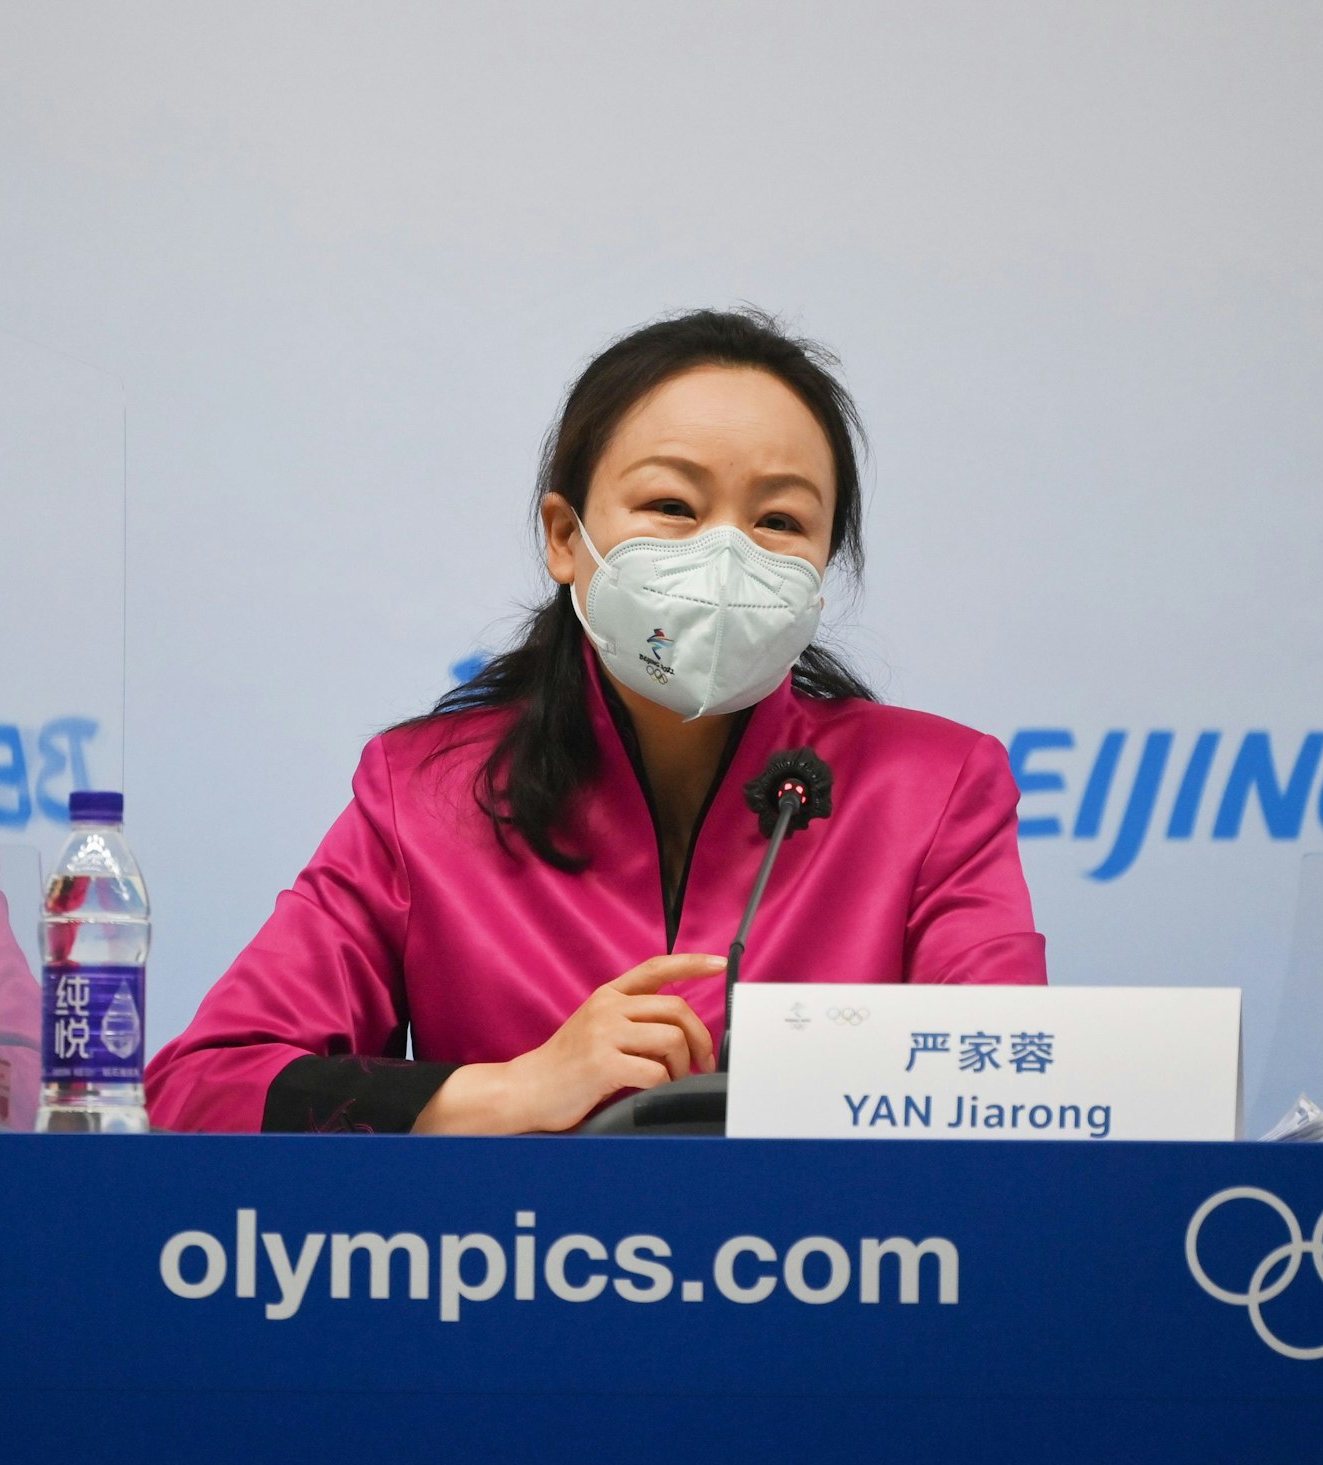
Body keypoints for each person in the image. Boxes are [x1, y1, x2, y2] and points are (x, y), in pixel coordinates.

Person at [145, 309, 1046, 1134]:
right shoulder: (425, 796)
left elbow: (1010, 1097)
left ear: (823, 566)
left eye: (779, 519)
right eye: (672, 507)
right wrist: (512, 1090)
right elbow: (202, 1087)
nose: (724, 554)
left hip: (832, 1286)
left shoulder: (933, 791)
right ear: (565, 538)